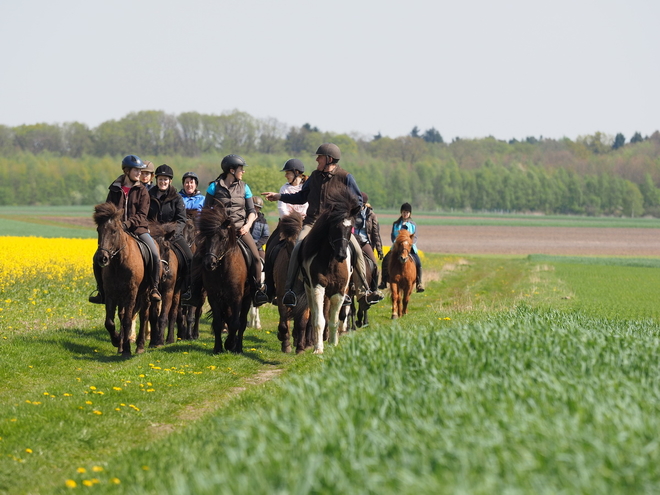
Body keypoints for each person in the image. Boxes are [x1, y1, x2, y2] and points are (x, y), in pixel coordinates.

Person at [262, 143, 384, 307]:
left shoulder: (345, 177)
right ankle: (290, 290)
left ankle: (364, 292)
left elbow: (358, 201)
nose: (317, 159)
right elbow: (301, 197)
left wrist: (344, 215)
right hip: (313, 223)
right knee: (297, 246)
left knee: (356, 250)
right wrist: (279, 196)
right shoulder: (314, 176)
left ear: (329, 159)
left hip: (336, 226)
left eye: (319, 157)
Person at [187, 154, 268, 307]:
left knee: (256, 258)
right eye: (240, 169)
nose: (243, 172)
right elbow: (205, 210)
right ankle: (194, 292)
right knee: (197, 256)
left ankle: (257, 292)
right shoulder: (214, 187)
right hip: (218, 232)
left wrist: (247, 225)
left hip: (239, 230)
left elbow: (252, 211)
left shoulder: (245, 187)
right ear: (231, 170)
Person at [89, 154, 161, 304]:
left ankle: (154, 288)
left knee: (154, 252)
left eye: (140, 171)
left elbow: (142, 214)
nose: (139, 174)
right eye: (136, 170)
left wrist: (127, 224)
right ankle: (101, 291)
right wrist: (113, 224)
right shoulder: (115, 189)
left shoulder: (143, 191)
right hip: (116, 231)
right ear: (127, 171)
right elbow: (108, 210)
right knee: (97, 257)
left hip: (138, 229)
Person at [148, 164, 194, 299]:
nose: (163, 182)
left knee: (190, 258)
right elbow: (144, 215)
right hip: (153, 234)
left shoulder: (177, 197)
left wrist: (174, 232)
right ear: (156, 180)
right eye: (160, 179)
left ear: (170, 181)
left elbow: (181, 219)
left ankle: (188, 289)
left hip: (172, 235)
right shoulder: (148, 195)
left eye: (165, 180)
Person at [379, 202, 424, 292]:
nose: (405, 214)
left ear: (410, 213)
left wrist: (409, 245)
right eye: (404, 212)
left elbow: (415, 237)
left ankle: (419, 283)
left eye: (407, 212)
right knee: (385, 260)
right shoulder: (396, 224)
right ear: (401, 212)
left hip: (409, 248)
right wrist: (397, 244)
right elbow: (392, 236)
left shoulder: (413, 224)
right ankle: (383, 281)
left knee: (418, 262)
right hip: (396, 247)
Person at [354, 192, 384, 292]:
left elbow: (375, 233)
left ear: (364, 204)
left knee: (374, 265)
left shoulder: (371, 215)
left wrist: (379, 249)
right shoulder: (352, 212)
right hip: (353, 241)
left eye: (360, 204)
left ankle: (374, 290)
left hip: (364, 242)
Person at [250, 195, 270, 260]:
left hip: (257, 246)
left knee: (263, 261)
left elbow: (265, 236)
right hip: (243, 244)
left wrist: (257, 245)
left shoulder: (263, 221)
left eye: (258, 207)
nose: (256, 209)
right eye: (254, 207)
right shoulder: (243, 218)